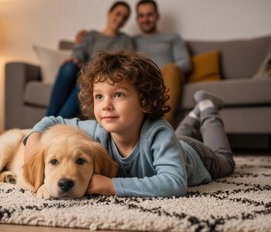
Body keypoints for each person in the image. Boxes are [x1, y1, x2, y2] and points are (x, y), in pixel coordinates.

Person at [24, 50, 235, 198]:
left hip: (197, 156)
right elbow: (52, 121)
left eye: (117, 94)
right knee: (175, 137)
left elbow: (174, 183)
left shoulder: (159, 133)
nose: (106, 105)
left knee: (225, 161)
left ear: (144, 101)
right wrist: (33, 142)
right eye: (99, 97)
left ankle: (207, 109)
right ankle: (193, 116)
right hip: (175, 143)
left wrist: (112, 186)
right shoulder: (98, 130)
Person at [75, 0, 191, 124]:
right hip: (142, 79)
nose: (146, 19)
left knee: (171, 69)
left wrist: (159, 72)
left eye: (149, 15)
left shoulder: (172, 37)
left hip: (167, 76)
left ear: (157, 16)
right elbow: (110, 51)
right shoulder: (129, 40)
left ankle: (164, 124)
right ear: (137, 19)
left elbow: (185, 63)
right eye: (142, 15)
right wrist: (85, 36)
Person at [46, 1, 134, 118]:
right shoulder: (92, 35)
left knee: (85, 80)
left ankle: (53, 124)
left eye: (124, 17)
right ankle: (47, 119)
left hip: (99, 76)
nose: (120, 19)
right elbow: (79, 50)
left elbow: (125, 62)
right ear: (109, 13)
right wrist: (76, 59)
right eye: (118, 14)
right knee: (69, 67)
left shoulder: (125, 40)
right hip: (83, 71)